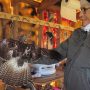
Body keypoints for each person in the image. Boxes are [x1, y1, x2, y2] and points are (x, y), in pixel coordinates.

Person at [48, 0, 90, 90]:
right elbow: (57, 53)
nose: (80, 15)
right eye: (80, 10)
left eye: (84, 9)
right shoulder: (77, 33)